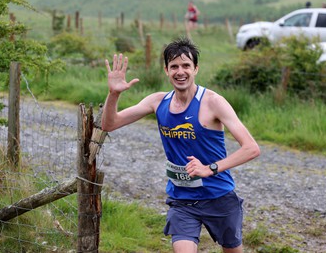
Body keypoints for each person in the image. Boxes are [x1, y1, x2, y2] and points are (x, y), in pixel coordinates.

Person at [101, 37, 260, 253]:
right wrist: (114, 94)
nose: (180, 71)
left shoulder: (213, 102)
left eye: (186, 65)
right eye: (174, 66)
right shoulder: (157, 101)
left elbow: (251, 148)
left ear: (196, 69)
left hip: (219, 195)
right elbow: (110, 124)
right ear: (166, 70)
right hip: (182, 198)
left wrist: (209, 168)